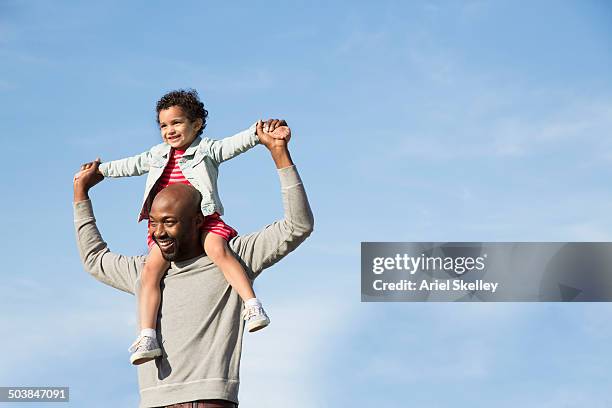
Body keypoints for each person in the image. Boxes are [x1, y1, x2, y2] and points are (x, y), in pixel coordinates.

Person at [73, 123, 313, 407]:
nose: (159, 233)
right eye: (153, 224)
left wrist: (279, 154)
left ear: (198, 221)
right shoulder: (146, 271)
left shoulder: (233, 257)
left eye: (170, 222)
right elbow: (94, 259)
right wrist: (80, 194)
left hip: (210, 400)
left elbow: (298, 225)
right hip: (156, 403)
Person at [79, 89, 289, 365]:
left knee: (218, 249)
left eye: (177, 122)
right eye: (164, 125)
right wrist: (100, 171)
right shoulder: (157, 155)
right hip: (168, 229)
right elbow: (130, 165)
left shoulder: (207, 150)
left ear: (197, 123)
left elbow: (234, 144)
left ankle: (252, 305)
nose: (170, 130)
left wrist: (260, 131)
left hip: (203, 219)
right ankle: (148, 335)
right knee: (150, 271)